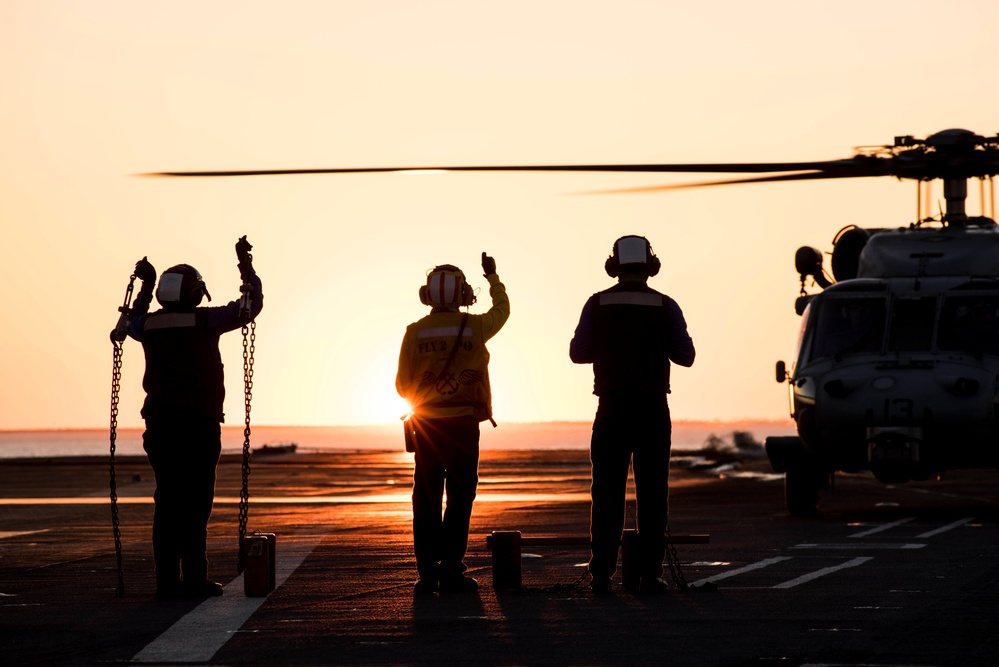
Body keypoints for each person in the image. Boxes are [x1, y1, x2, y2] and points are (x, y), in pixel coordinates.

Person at [126, 236, 263, 600]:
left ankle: (167, 581)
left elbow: (131, 321)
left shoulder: (149, 327)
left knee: (167, 499)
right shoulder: (204, 321)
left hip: (158, 422)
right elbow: (249, 306)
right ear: (194, 294)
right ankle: (195, 579)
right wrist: (245, 265)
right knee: (196, 501)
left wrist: (145, 285)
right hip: (197, 423)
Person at [569, 235, 695, 594]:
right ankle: (651, 574)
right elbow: (685, 356)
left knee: (606, 492)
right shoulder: (665, 305)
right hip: (653, 408)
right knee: (653, 492)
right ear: (651, 267)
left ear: (614, 267)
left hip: (611, 408)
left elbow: (578, 353)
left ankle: (602, 574)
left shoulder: (597, 304)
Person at [396, 253, 510, 594]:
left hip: (427, 426)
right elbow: (502, 311)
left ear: (426, 295)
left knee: (426, 498)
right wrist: (493, 278)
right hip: (463, 426)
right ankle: (452, 570)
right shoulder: (476, 326)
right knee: (460, 498)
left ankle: (427, 572)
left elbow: (402, 385)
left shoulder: (415, 332)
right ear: (463, 295)